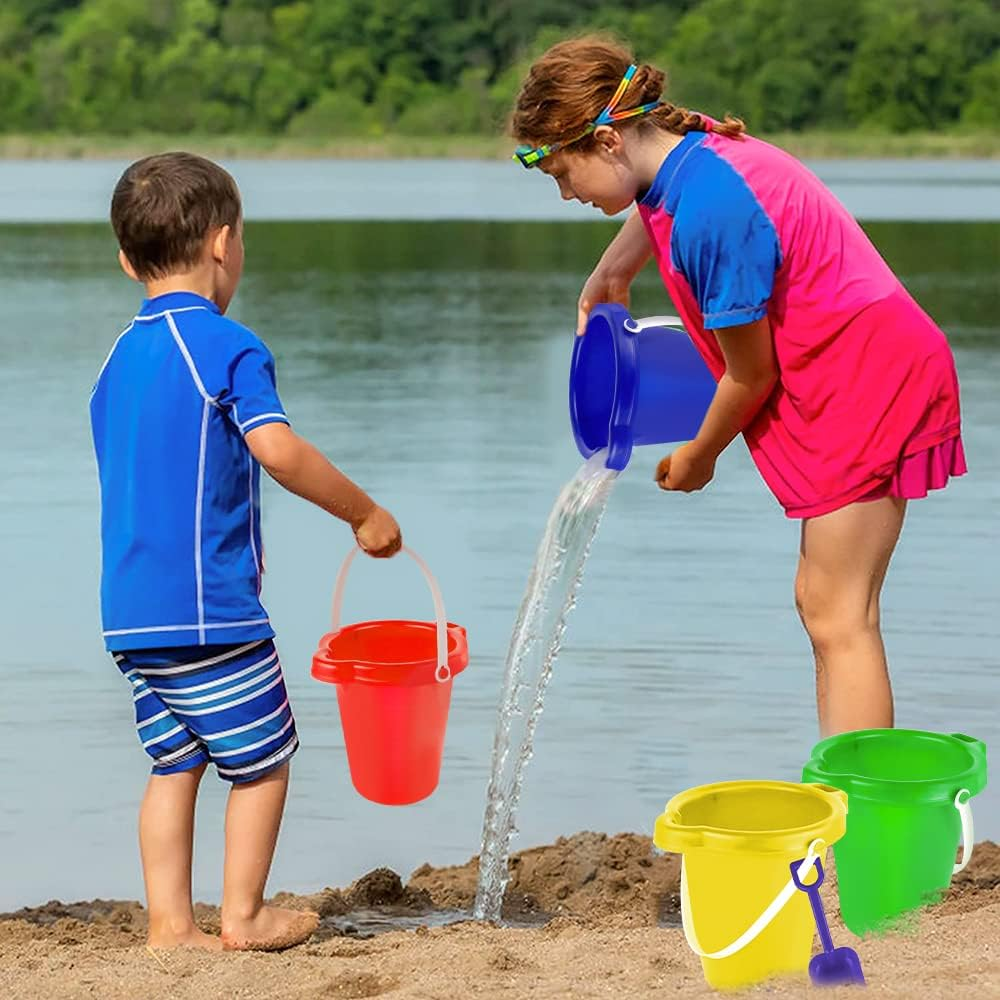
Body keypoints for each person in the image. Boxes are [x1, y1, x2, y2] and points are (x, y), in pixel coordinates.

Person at [511, 38, 966, 737]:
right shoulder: (693, 157)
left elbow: (752, 374)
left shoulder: (709, 212)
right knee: (824, 603)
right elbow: (655, 202)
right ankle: (847, 806)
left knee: (839, 616)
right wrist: (612, 274)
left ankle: (862, 824)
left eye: (563, 175)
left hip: (866, 379)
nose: (567, 194)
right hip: (849, 365)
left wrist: (700, 453)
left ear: (606, 140)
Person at [90, 152, 402, 951]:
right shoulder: (228, 345)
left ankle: (170, 924)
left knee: (173, 764)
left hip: (130, 616)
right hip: (211, 610)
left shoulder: (116, 358)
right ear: (224, 244)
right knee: (264, 758)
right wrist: (362, 513)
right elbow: (276, 448)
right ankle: (244, 914)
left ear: (128, 259)